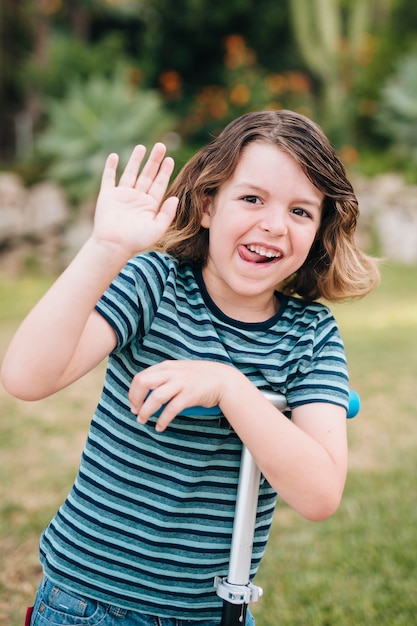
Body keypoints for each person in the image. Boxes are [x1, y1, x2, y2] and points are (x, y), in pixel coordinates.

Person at [1, 109, 379, 626]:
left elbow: (319, 493)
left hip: (213, 612)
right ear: (207, 205)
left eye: (300, 211)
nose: (272, 223)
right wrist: (106, 248)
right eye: (251, 199)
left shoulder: (310, 337)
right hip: (88, 602)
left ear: (319, 231)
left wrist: (228, 386)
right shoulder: (154, 286)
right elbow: (27, 377)